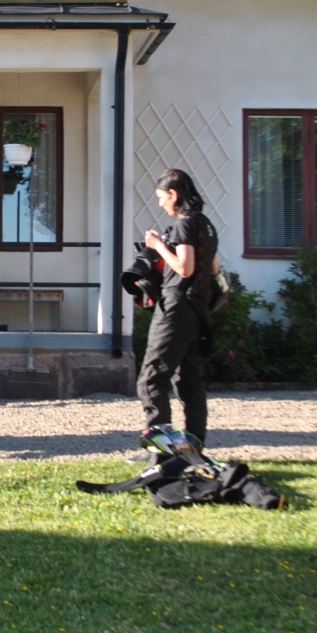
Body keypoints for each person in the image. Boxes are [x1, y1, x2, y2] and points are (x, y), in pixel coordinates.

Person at [132, 169, 220, 448]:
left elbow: (185, 268)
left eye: (162, 198)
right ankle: (194, 446)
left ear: (174, 195)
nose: (160, 204)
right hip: (200, 308)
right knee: (190, 380)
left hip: (177, 305)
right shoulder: (206, 225)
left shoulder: (183, 224)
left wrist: (158, 246)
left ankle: (162, 445)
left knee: (152, 376)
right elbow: (215, 269)